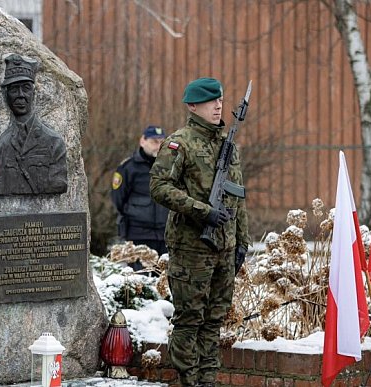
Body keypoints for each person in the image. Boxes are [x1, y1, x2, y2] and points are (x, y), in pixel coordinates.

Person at [149, 77, 249, 387]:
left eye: (220, 99)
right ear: (193, 106)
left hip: (224, 247)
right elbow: (159, 187)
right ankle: (189, 381)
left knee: (213, 321)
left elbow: (237, 197)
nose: (218, 105)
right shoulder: (180, 142)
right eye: (210, 101)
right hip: (192, 248)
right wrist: (202, 210)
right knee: (189, 321)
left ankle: (208, 380)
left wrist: (242, 241)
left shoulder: (227, 146)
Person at [0, 53, 68, 196]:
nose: (21, 95)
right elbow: (0, 187)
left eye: (26, 88)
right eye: (14, 89)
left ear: (34, 93)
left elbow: (59, 184)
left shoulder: (53, 141)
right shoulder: (4, 143)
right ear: (6, 95)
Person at [110, 125, 170, 270]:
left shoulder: (170, 166)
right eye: (154, 142)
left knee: (164, 282)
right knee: (140, 280)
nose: (159, 146)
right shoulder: (128, 168)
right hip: (139, 235)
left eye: (162, 142)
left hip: (165, 235)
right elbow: (118, 199)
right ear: (143, 141)